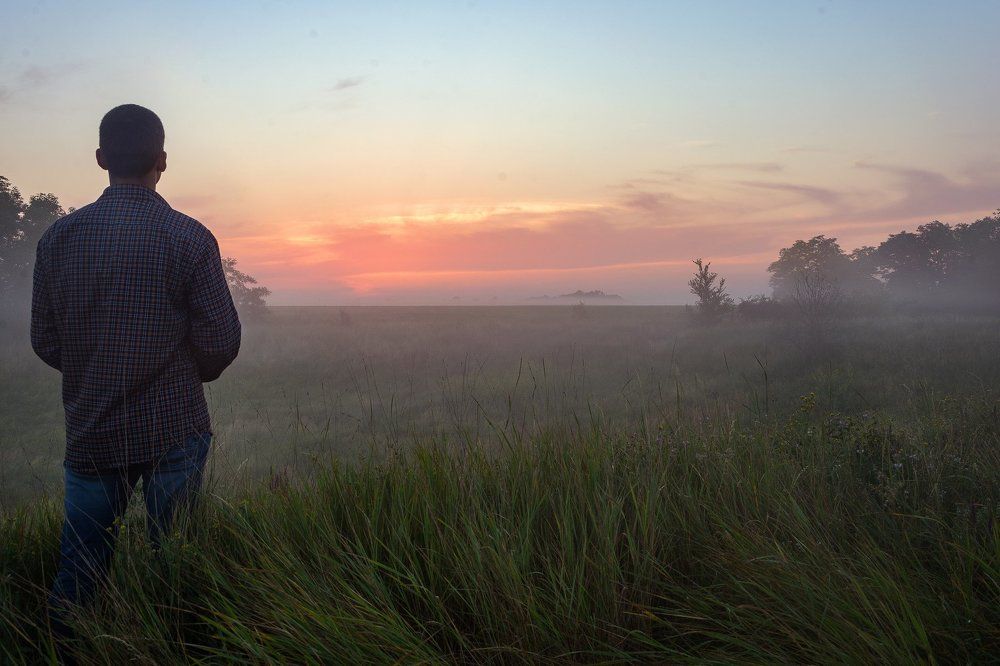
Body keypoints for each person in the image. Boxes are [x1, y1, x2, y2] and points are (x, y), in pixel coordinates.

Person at [30, 104, 241, 638]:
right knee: (176, 563)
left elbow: (45, 339)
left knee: (79, 570)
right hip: (174, 427)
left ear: (100, 158)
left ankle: (68, 649)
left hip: (92, 429)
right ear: (163, 161)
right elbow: (221, 339)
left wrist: (95, 369)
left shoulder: (58, 239)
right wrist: (184, 373)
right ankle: (178, 645)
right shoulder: (190, 238)